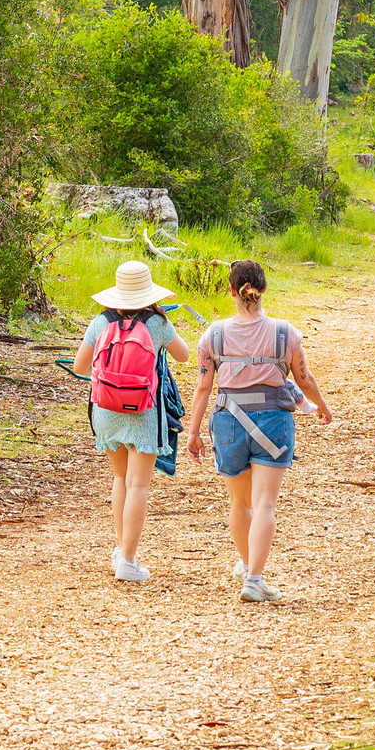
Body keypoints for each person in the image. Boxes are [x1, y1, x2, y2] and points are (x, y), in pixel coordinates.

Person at [185, 259, 333, 604]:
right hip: (273, 422)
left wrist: (193, 432)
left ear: (231, 291)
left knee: (239, 501)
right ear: (264, 289)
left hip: (228, 422)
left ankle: (248, 564)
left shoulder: (213, 335)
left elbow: (203, 387)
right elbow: (303, 379)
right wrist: (322, 405)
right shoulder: (286, 333)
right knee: (265, 502)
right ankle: (254, 578)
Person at [73, 259, 191, 584]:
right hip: (142, 409)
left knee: (120, 478)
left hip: (106, 408)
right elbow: (183, 355)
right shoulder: (157, 323)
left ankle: (121, 549)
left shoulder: (100, 322)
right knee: (138, 484)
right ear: (148, 292)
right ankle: (127, 559)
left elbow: (81, 367)